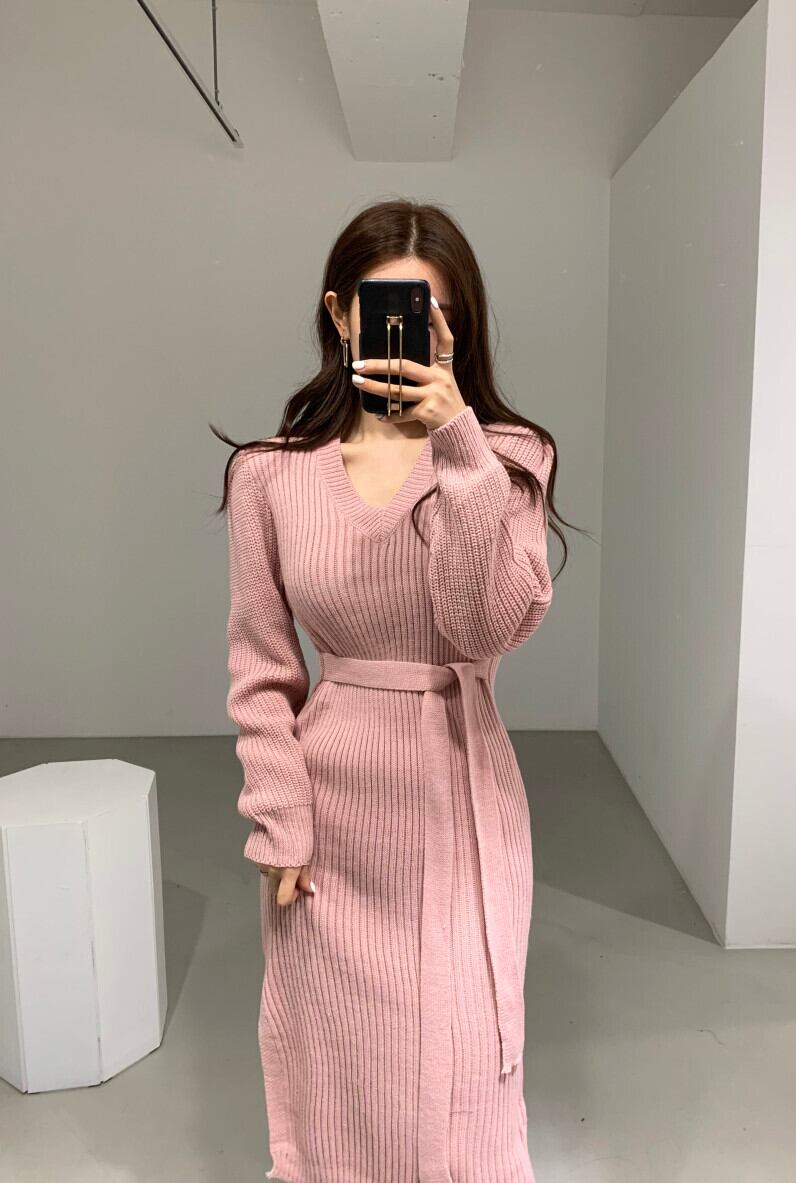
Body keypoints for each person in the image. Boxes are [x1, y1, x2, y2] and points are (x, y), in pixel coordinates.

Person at [212, 198, 571, 1183]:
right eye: (384, 309)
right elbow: (261, 667)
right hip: (328, 812)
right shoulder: (270, 476)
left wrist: (456, 441)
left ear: (459, 326)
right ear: (339, 316)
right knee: (338, 1062)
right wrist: (280, 818)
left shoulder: (508, 459)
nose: (411, 332)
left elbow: (484, 626)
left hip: (457, 798)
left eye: (434, 313)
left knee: (461, 1069)